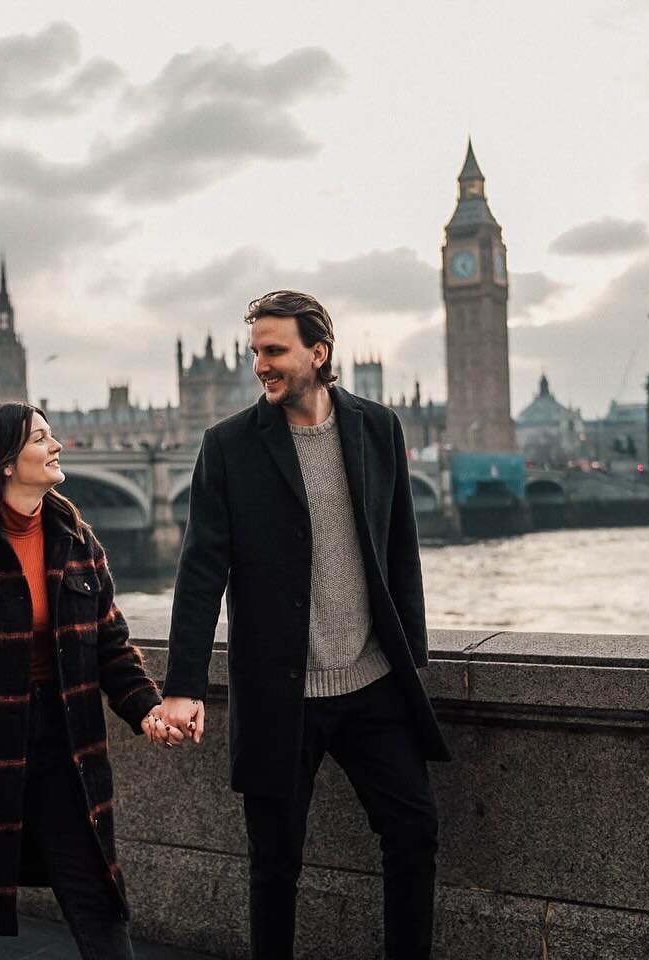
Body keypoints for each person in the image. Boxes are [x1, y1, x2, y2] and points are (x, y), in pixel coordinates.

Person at [158, 291, 451, 959]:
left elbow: (399, 548)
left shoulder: (379, 428)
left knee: (414, 833)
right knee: (275, 864)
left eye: (274, 351)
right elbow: (201, 573)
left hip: (374, 682)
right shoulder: (228, 446)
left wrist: (414, 661)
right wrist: (183, 687)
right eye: (255, 352)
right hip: (281, 692)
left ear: (318, 353)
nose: (261, 365)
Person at [0, 401, 183, 960]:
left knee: (97, 900)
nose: (58, 447)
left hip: (65, 751)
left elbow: (111, 648)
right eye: (42, 438)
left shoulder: (78, 543)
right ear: (5, 461)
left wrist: (147, 709)